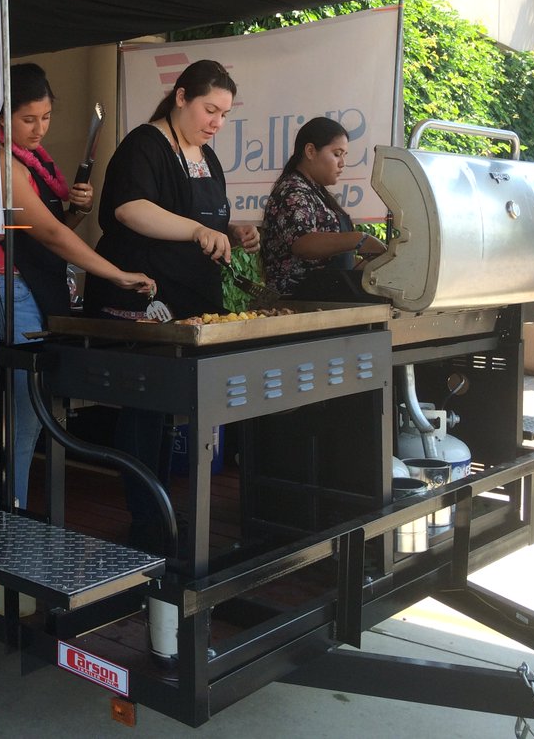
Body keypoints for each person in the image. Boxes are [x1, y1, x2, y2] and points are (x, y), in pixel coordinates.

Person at [83, 59, 259, 551]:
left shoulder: (207, 157)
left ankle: (159, 509)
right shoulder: (144, 145)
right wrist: (200, 229)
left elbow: (203, 222)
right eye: (209, 109)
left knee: (165, 411)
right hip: (142, 298)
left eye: (224, 114)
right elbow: (130, 208)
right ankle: (145, 519)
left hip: (189, 303)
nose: (216, 122)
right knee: (145, 408)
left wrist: (229, 233)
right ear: (181, 96)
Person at [0, 62, 155, 509]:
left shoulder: (35, 164)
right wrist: (115, 272)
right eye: (28, 119)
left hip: (33, 288)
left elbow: (56, 229)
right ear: (2, 118)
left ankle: (13, 511)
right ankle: (12, 518)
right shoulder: (3, 165)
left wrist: (78, 211)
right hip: (9, 291)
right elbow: (50, 236)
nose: (39, 129)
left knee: (27, 418)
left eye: (45, 118)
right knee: (21, 419)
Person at [261, 116, 386, 295]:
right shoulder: (292, 190)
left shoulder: (316, 191)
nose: (342, 163)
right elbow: (303, 244)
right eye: (336, 154)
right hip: (296, 303)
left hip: (325, 297)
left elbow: (333, 261)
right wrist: (359, 239)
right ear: (311, 151)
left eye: (344, 155)